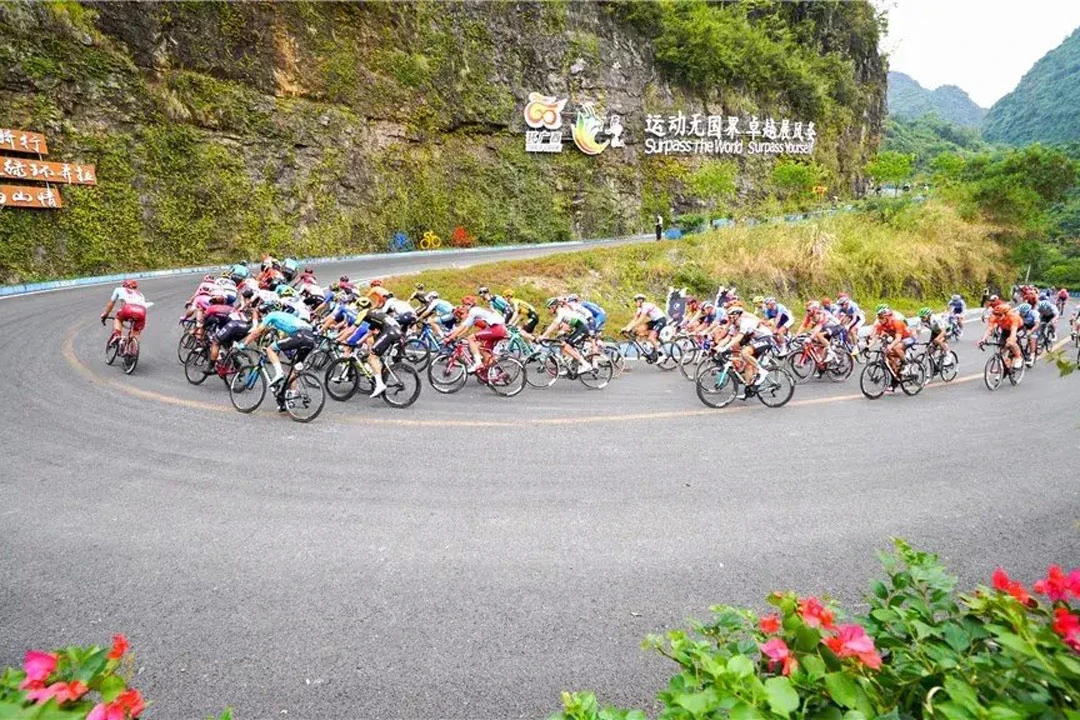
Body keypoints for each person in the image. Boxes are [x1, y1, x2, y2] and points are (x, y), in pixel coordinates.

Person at [234, 304, 317, 410]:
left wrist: (244, 344)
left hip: (299, 335)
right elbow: (284, 336)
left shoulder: (271, 315)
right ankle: (289, 401)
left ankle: (279, 373)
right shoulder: (286, 316)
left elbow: (256, 332)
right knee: (294, 370)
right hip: (310, 339)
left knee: (270, 349)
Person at [352, 297, 401, 398]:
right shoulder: (374, 314)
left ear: (360, 307)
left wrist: (342, 340)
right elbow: (369, 333)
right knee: (377, 357)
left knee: (372, 356)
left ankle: (379, 385)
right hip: (396, 331)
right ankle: (380, 379)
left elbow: (352, 329)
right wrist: (358, 342)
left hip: (390, 331)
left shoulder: (364, 313)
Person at [444, 295, 507, 372]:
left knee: (470, 338)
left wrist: (450, 338)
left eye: (464, 305)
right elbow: (466, 327)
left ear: (469, 305)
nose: (464, 307)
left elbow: (463, 326)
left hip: (497, 328)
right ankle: (492, 374)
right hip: (498, 328)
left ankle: (478, 363)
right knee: (482, 350)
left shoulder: (474, 311)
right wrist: (453, 335)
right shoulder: (476, 311)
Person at [536, 297, 593, 373]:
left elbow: (554, 325)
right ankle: (569, 368)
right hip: (578, 328)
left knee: (567, 347)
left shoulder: (561, 312)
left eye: (549, 308)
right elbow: (558, 326)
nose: (549, 310)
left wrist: (543, 336)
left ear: (553, 306)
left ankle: (586, 365)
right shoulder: (561, 312)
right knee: (563, 344)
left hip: (582, 328)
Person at [869, 304, 915, 384]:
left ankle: (906, 364)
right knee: (889, 357)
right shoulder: (881, 325)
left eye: (881, 318)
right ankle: (896, 379)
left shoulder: (896, 323)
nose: (879, 320)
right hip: (898, 339)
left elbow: (898, 339)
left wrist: (890, 346)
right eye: (879, 318)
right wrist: (868, 347)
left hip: (908, 338)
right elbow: (875, 337)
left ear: (887, 317)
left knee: (895, 347)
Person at [100, 279, 148, 343]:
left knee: (118, 319)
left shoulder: (119, 289)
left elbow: (111, 303)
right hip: (141, 311)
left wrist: (105, 314)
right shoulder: (140, 294)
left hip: (128, 308)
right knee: (136, 332)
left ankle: (117, 335)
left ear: (124, 285)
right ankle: (133, 346)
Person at [979, 301, 1023, 370]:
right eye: (996, 314)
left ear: (1005, 314)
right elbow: (989, 329)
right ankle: (1005, 366)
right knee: (1002, 349)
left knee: (1011, 342)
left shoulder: (1013, 317)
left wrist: (1011, 340)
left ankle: (1018, 357)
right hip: (1005, 329)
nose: (997, 317)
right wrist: (983, 339)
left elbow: (1013, 331)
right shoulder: (994, 317)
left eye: (999, 315)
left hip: (1017, 327)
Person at [622, 293, 667, 359]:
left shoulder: (646, 306)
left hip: (661, 320)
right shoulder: (639, 308)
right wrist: (626, 327)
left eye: (636, 301)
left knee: (651, 337)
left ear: (640, 301)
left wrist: (630, 327)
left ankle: (661, 355)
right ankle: (646, 346)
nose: (635, 303)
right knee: (638, 330)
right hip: (654, 321)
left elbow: (641, 319)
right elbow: (634, 319)